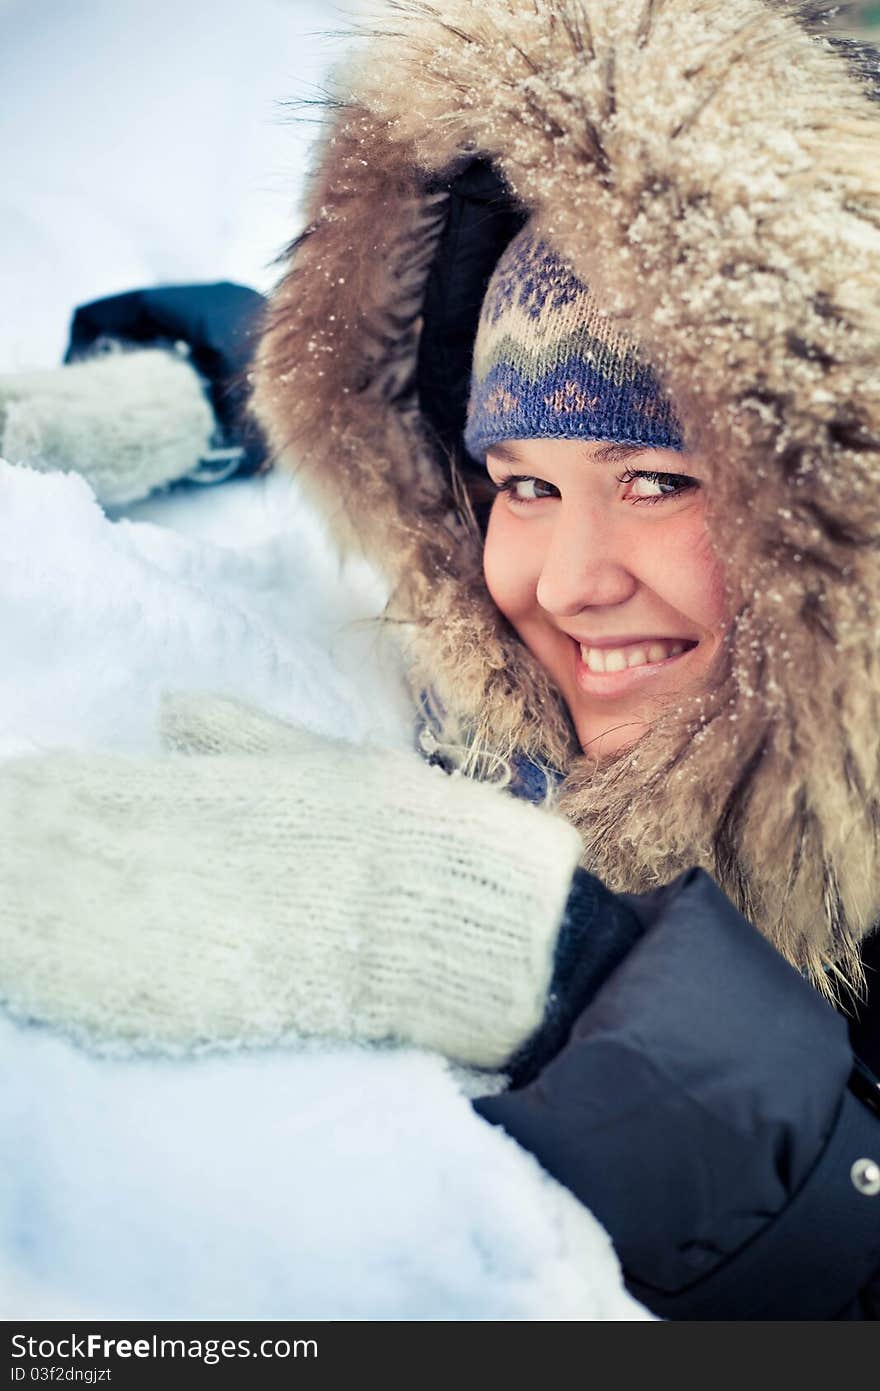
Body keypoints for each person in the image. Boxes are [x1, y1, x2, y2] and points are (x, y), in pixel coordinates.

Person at [2, 0, 880, 1319]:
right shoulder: (527, 672)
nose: (569, 581)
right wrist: (187, 397)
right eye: (520, 484)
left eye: (656, 478)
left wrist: (561, 963)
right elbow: (359, 382)